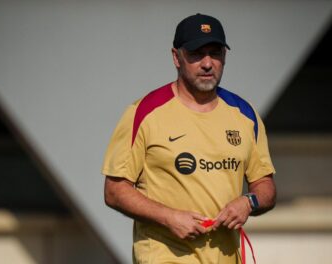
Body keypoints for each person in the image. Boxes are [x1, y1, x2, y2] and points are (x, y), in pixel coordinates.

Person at [102, 13, 276, 264]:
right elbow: (114, 191)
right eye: (196, 53)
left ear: (224, 57)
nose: (207, 63)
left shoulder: (245, 115)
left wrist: (248, 202)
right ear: (176, 57)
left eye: (215, 53)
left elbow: (266, 187)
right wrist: (169, 217)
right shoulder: (144, 112)